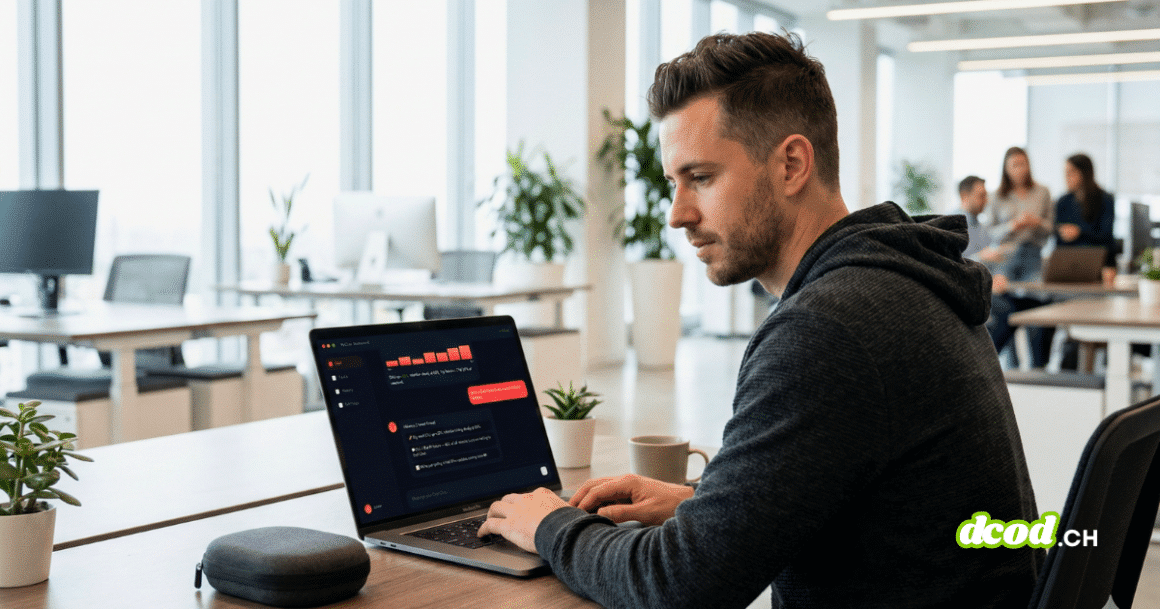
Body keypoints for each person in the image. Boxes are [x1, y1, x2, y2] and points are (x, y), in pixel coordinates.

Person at [478, 32, 1041, 609]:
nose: (677, 215)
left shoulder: (830, 328)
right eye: (675, 183)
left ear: (792, 163)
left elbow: (678, 585)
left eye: (701, 178)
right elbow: (860, 491)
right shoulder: (899, 282)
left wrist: (549, 525)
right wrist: (704, 502)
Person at [986, 146, 1053, 282]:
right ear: (1006, 169)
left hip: (1033, 253)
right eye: (1014, 165)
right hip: (1006, 254)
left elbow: (1051, 228)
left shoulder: (1042, 192)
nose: (1020, 170)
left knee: (1037, 294)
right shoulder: (995, 196)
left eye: (1023, 164)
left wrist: (1037, 222)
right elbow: (988, 234)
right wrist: (1011, 226)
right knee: (998, 292)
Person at [1055, 153, 1116, 267]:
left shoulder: (1105, 199)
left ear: (1084, 173)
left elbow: (1106, 235)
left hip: (1098, 261)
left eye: (1071, 173)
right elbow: (1058, 237)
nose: (1066, 178)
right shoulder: (1063, 201)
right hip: (1069, 262)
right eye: (1065, 173)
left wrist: (1079, 232)